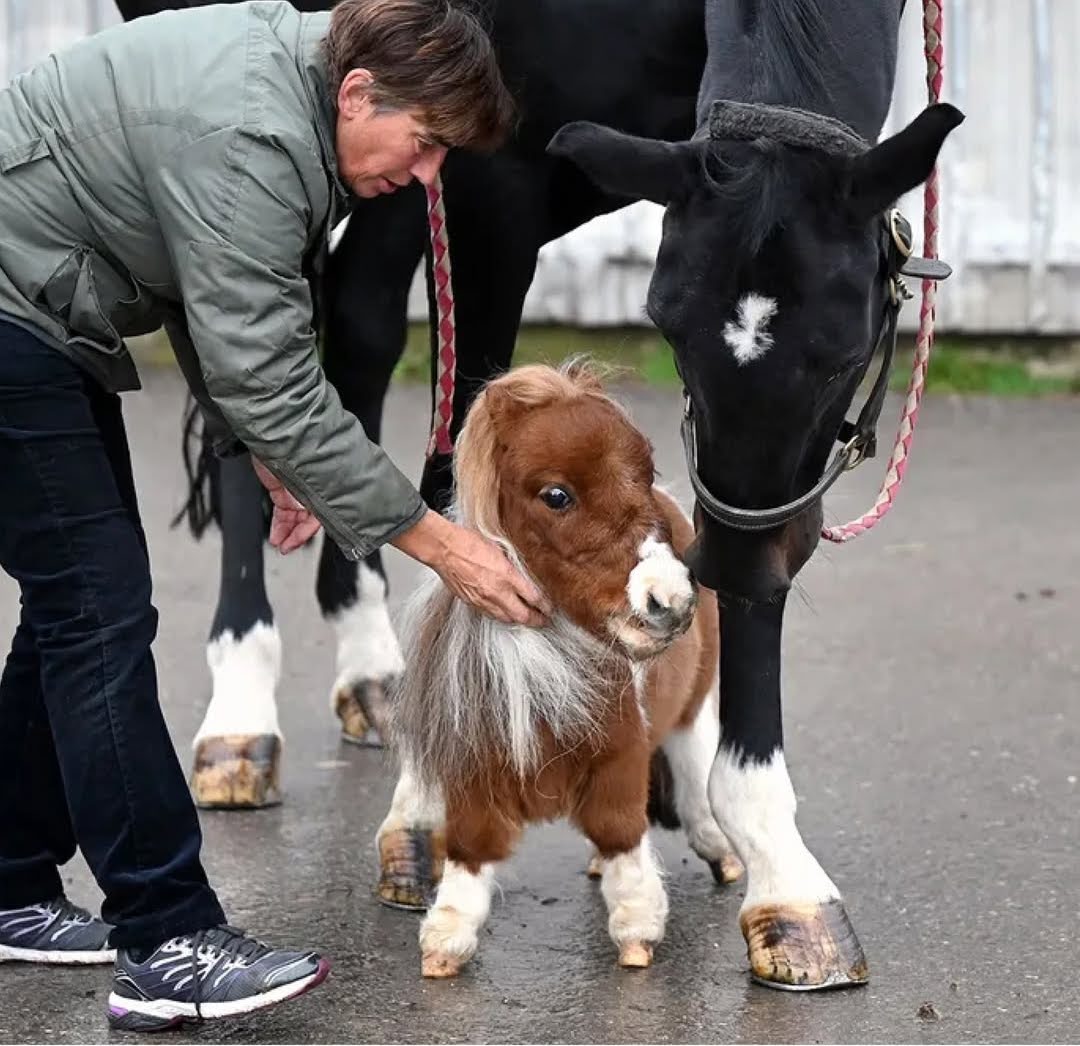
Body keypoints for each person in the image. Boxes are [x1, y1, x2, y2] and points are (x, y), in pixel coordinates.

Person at [0, 0, 549, 1031]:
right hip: (11, 309)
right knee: (97, 612)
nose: (427, 176)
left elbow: (224, 300)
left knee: (74, 606)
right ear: (357, 92)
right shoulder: (255, 134)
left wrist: (266, 449)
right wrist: (437, 541)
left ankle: (10, 879)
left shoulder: (291, 101)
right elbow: (262, 365)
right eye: (424, 143)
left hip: (37, 310)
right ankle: (165, 938)